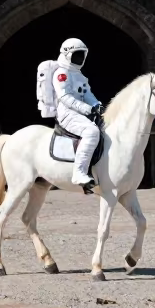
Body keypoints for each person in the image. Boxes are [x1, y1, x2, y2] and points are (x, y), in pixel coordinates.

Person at [53, 37, 102, 193]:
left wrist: (97, 105)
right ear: (67, 54)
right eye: (77, 54)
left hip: (81, 113)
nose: (80, 58)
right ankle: (79, 173)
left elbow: (87, 94)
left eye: (82, 55)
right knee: (91, 131)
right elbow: (65, 97)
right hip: (67, 114)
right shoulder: (62, 73)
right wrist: (87, 109)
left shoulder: (80, 76)